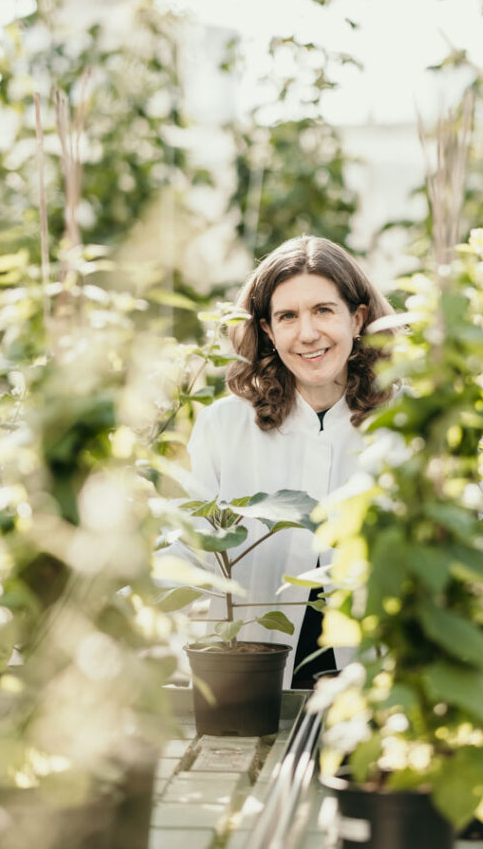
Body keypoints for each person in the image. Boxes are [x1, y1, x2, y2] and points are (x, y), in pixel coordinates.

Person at [187, 235, 395, 687]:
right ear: (266, 330)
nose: (307, 333)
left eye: (323, 310)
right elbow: (187, 547)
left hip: (380, 682)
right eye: (287, 316)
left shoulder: (406, 422)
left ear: (357, 319)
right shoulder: (225, 426)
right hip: (252, 676)